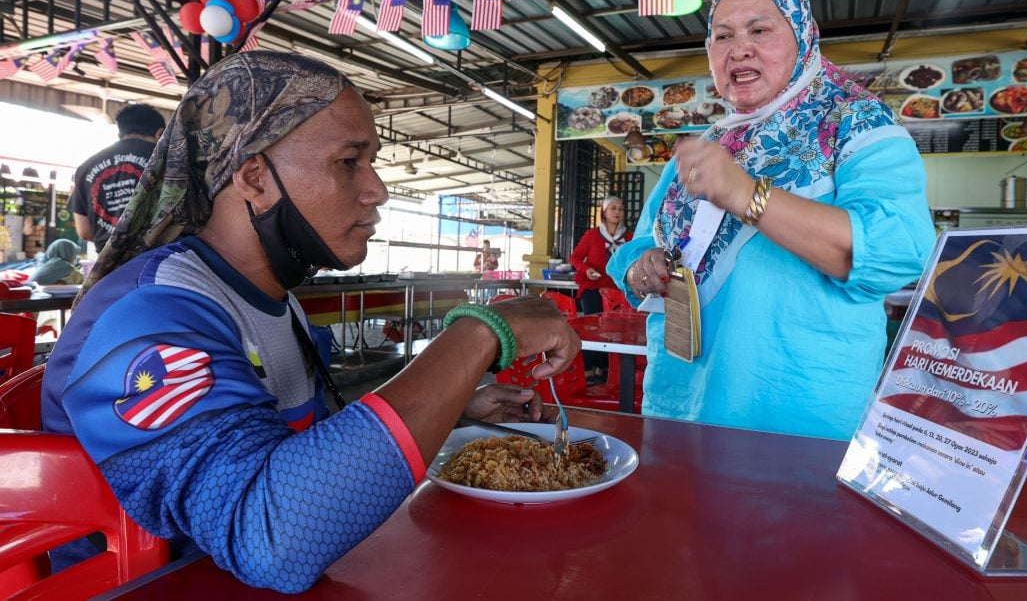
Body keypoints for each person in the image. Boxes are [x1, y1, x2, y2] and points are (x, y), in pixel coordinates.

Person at [41, 52, 580, 593]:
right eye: (350, 161)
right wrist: (479, 334)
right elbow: (271, 536)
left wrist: (451, 399)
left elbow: (298, 452)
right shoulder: (152, 313)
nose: (377, 190)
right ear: (254, 176)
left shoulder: (276, 301)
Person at [607, 0, 935, 441]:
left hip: (794, 420)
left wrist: (745, 195)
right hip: (682, 404)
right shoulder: (709, 142)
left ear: (801, 35)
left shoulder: (855, 123)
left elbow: (896, 250)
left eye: (760, 29)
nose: (739, 47)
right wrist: (642, 266)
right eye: (723, 36)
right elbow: (639, 242)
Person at [67, 103, 165, 251]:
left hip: (108, 266)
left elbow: (84, 231)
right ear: (160, 134)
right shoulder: (168, 161)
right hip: (157, 261)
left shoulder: (85, 168)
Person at [569, 195, 628, 383]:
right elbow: (575, 257)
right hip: (593, 289)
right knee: (592, 328)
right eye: (613, 208)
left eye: (620, 208)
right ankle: (588, 368)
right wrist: (587, 269)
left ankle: (605, 369)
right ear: (604, 212)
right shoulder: (592, 235)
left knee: (613, 330)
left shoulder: (629, 237)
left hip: (619, 292)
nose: (617, 212)